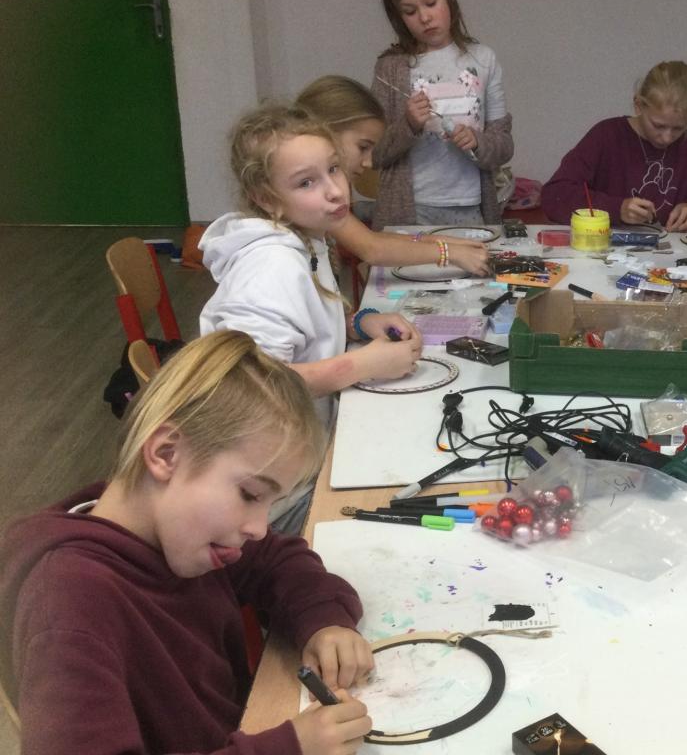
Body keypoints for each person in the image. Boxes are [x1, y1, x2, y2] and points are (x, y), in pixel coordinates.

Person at [0, 330, 375, 755]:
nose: (259, 527)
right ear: (166, 454)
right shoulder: (68, 608)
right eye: (250, 494)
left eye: (270, 503)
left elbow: (274, 559)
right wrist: (286, 748)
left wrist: (323, 620)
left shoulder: (176, 528)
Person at [200, 105, 422, 530]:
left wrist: (359, 323)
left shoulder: (305, 238)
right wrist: (361, 364)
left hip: (297, 456)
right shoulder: (271, 266)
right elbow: (251, 382)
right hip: (269, 503)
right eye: (307, 182)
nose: (336, 191)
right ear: (267, 199)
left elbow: (307, 325)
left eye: (334, 169)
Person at [369, 0, 513, 228]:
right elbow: (375, 153)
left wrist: (477, 142)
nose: (424, 17)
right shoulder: (390, 68)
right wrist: (409, 124)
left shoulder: (483, 59)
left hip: (472, 208)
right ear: (399, 17)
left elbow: (504, 146)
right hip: (408, 212)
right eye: (410, 11)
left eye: (431, 2)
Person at [296, 74, 488, 275]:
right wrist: (449, 253)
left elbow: (372, 238)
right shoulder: (312, 198)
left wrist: (443, 242)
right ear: (325, 134)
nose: (369, 162)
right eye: (363, 147)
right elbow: (372, 249)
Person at [540, 61, 687, 231]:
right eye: (658, 126)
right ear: (638, 106)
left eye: (678, 128)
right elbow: (554, 196)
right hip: (604, 245)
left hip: (671, 247)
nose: (667, 138)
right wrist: (617, 209)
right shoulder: (606, 136)